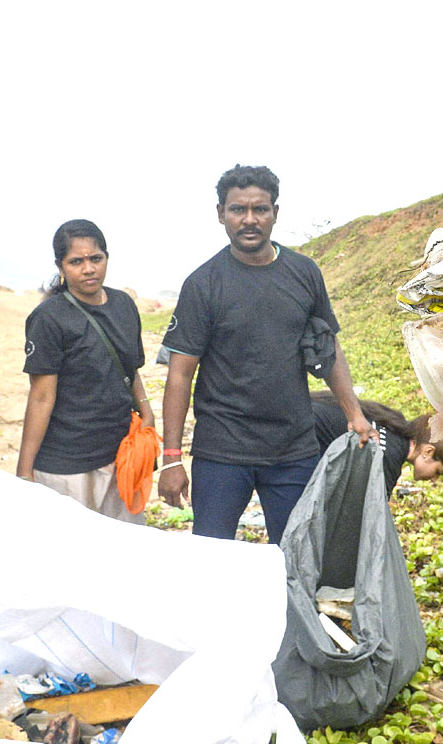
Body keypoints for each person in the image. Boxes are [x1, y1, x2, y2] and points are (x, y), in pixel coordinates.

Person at [158, 164, 376, 544]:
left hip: (292, 448)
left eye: (260, 209)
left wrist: (354, 414)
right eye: (237, 209)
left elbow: (330, 347)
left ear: (276, 212)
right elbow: (179, 375)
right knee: (210, 556)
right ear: (220, 214)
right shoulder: (203, 285)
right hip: (222, 450)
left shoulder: (304, 273)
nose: (249, 220)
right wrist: (172, 457)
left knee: (294, 559)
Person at [16, 219, 152, 524]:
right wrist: (25, 471)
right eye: (76, 261)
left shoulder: (123, 305)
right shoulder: (49, 318)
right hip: (67, 465)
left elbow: (132, 369)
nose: (88, 268)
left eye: (95, 258)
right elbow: (40, 396)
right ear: (61, 266)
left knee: (124, 551)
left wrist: (146, 411)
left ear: (106, 257)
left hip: (120, 456)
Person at [310, 389, 443, 497]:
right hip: (298, 438)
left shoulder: (394, 422)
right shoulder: (389, 462)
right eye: (438, 472)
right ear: (428, 451)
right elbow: (373, 524)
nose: (434, 479)